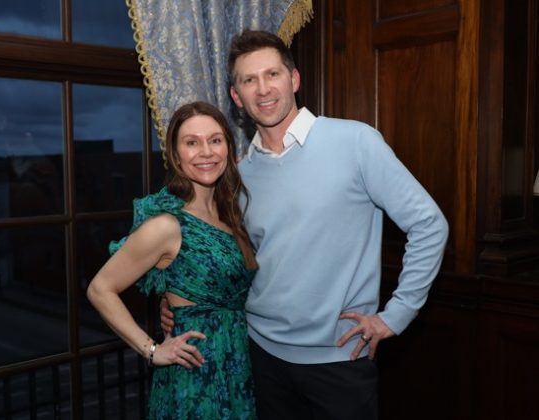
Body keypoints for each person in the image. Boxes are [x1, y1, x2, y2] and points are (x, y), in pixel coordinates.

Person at [161, 29, 449, 419]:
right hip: (260, 355)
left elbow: (429, 224)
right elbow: (231, 259)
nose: (263, 89)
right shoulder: (239, 174)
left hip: (339, 359)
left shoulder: (356, 142)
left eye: (272, 74)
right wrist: (178, 300)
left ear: (294, 79)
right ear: (236, 97)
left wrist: (397, 315)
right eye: (249, 80)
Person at [87, 101, 258, 419]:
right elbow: (100, 289)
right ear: (176, 156)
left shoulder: (230, 213)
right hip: (196, 374)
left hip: (237, 365)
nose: (206, 152)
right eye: (192, 143)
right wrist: (152, 350)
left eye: (215, 140)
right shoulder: (167, 224)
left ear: (228, 148)